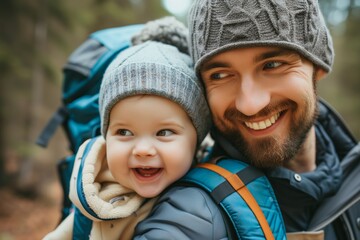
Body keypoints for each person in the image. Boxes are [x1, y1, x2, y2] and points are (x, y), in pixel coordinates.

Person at [134, 1, 360, 239]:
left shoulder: (352, 172)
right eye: (220, 75)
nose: (250, 104)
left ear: (318, 64)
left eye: (272, 65)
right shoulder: (194, 215)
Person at [42, 17, 211, 240]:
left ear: (197, 137)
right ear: (106, 135)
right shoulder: (95, 190)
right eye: (124, 132)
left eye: (164, 133)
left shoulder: (211, 197)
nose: (142, 149)